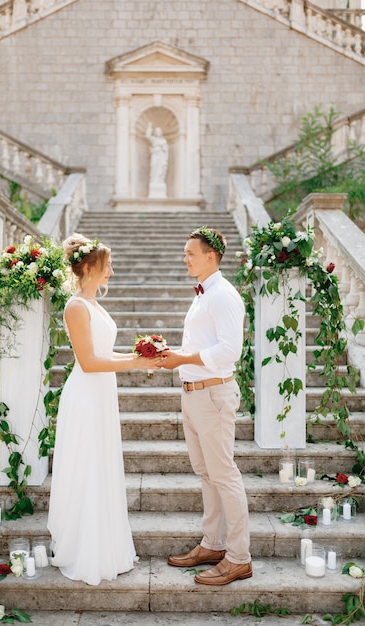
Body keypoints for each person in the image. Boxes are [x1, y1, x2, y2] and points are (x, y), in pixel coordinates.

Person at [47, 233, 162, 585]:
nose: (111, 270)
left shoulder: (94, 305)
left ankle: (105, 546)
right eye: (107, 264)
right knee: (86, 465)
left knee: (101, 465)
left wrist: (138, 358)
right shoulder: (76, 307)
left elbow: (103, 354)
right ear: (91, 266)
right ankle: (84, 550)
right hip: (85, 395)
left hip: (101, 395)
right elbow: (88, 362)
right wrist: (135, 365)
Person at [161, 226, 252, 586]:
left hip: (213, 395)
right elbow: (203, 344)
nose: (185, 258)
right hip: (195, 393)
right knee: (206, 473)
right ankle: (213, 544)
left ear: (210, 256)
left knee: (224, 474)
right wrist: (175, 358)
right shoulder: (203, 294)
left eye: (190, 253)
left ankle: (239, 557)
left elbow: (231, 351)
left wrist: (183, 357)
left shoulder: (224, 296)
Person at [145, 122, 168, 196]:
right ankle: (154, 181)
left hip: (161, 157)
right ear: (155, 132)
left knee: (161, 169)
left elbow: (166, 151)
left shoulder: (164, 141)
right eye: (156, 131)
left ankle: (160, 181)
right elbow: (147, 136)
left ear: (161, 133)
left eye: (159, 131)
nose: (158, 132)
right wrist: (149, 127)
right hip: (155, 156)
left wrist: (166, 160)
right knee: (154, 168)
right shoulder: (153, 139)